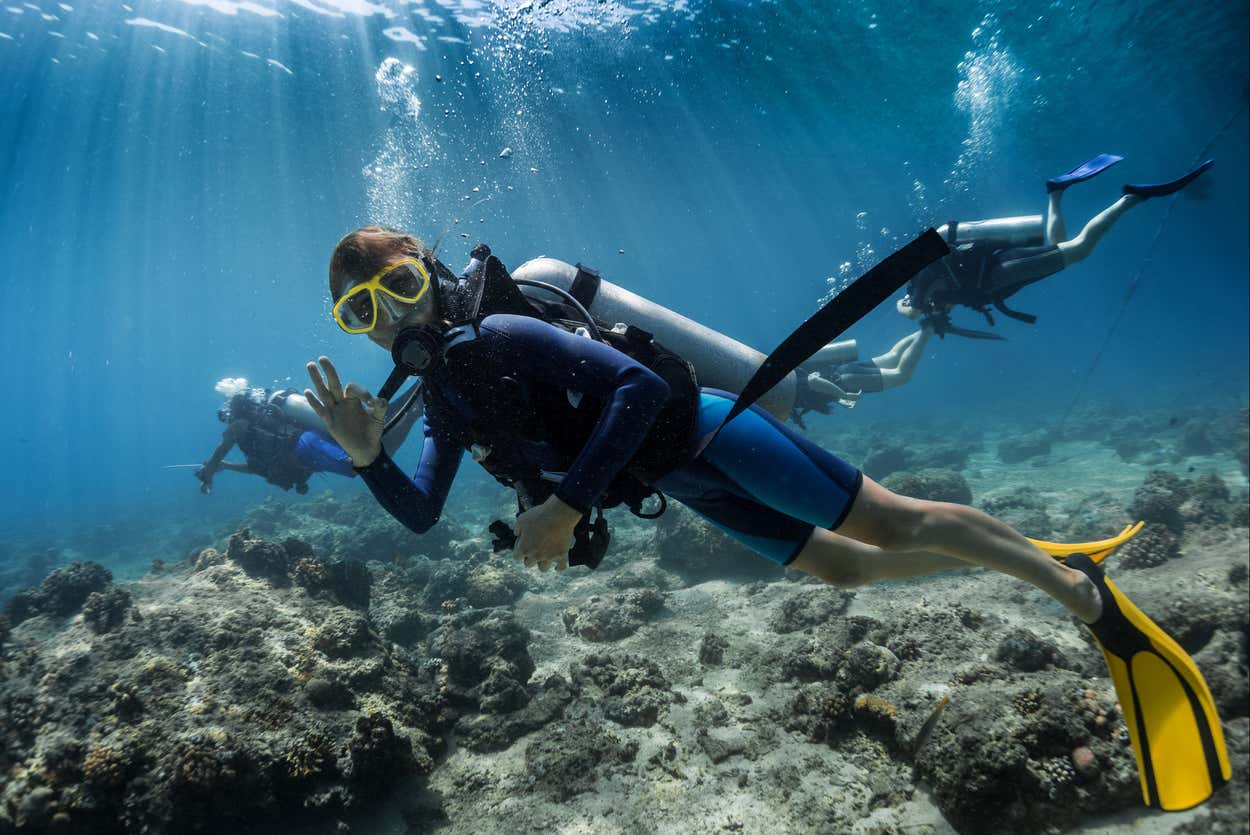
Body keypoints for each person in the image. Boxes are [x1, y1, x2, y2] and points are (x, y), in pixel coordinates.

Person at [304, 226, 1229, 810]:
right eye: (362, 313)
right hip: (681, 478)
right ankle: (1014, 557)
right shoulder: (447, 402)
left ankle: (1076, 589)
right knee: (846, 569)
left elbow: (632, 386)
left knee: (893, 527)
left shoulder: (500, 333)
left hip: (706, 431)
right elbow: (421, 512)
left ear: (431, 274)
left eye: (400, 289)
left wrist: (564, 505)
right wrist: (368, 457)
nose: (390, 319)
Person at [899, 155, 1215, 336]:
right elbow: (913, 305)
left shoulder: (920, 294)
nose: (946, 313)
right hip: (1000, 268)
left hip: (1001, 272)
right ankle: (1056, 192)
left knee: (1079, 249)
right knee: (1061, 245)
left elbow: (911, 312)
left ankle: (1132, 198)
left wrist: (923, 311)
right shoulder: (921, 283)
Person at [195, 377, 423, 495]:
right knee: (369, 441)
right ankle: (418, 393)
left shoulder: (239, 426)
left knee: (359, 464)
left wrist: (209, 471)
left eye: (226, 417)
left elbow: (222, 446)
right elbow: (256, 468)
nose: (227, 422)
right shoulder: (253, 442)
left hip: (304, 446)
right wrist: (225, 466)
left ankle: (414, 407)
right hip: (305, 448)